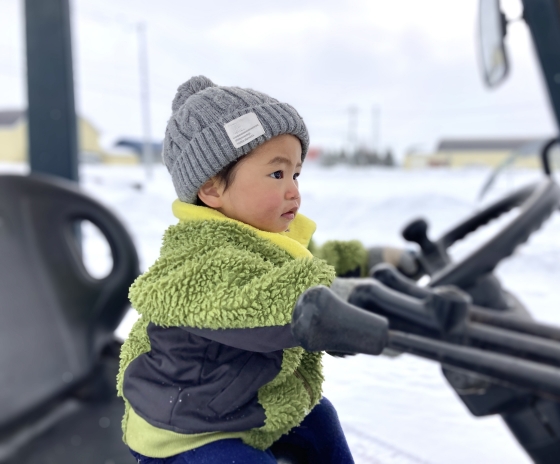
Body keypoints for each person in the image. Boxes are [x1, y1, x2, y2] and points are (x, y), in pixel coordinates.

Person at [117, 75, 377, 464]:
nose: (294, 190)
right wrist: (338, 302)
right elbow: (260, 298)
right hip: (186, 430)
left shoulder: (266, 238)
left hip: (244, 406)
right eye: (277, 174)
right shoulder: (197, 260)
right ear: (212, 189)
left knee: (320, 419)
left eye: (296, 174)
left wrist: (375, 264)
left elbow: (314, 261)